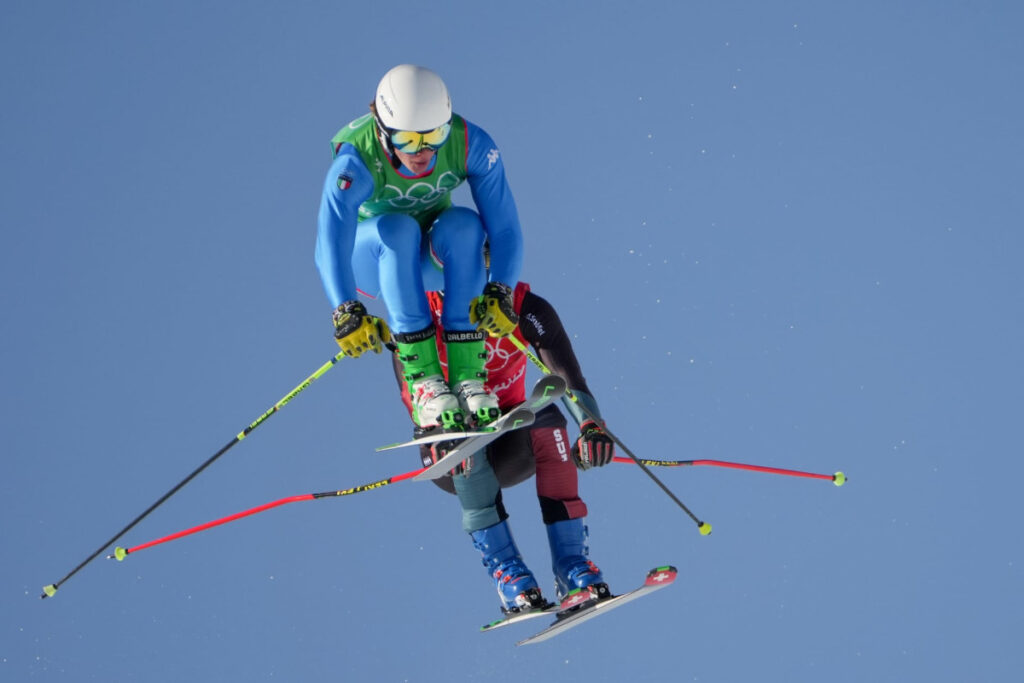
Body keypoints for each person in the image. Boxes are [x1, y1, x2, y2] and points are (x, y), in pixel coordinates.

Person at [315, 64, 523, 432]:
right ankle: (425, 381)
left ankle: (467, 378)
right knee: (398, 228)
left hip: (429, 257)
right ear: (382, 129)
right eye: (408, 140)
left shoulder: (471, 144)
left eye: (434, 136)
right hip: (372, 257)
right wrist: (345, 309)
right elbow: (330, 240)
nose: (423, 152)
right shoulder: (356, 160)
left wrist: (501, 288)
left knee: (465, 224)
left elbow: (504, 226)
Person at [392, 282, 618, 614]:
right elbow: (412, 390)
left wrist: (591, 426)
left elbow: (566, 376)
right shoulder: (419, 312)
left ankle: (572, 567)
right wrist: (436, 432)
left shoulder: (526, 308)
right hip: (448, 447)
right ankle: (509, 575)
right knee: (465, 440)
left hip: (512, 437)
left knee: (548, 416)